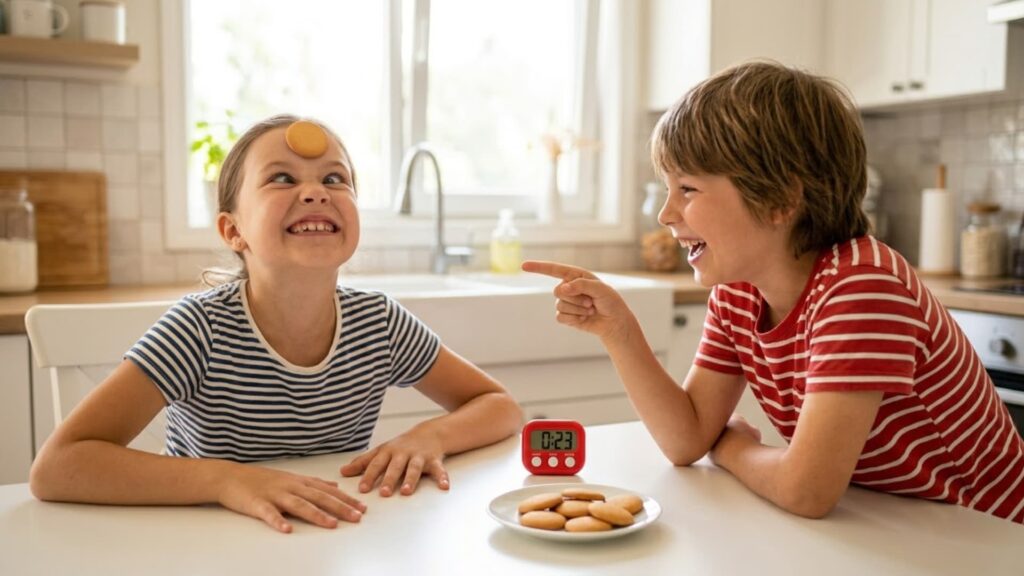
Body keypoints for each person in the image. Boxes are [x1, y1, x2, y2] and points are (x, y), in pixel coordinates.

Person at [523, 61, 1024, 523]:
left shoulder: (863, 287)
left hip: (984, 532)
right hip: (890, 523)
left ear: (781, 200)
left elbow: (805, 491)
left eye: (688, 190)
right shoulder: (739, 290)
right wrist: (620, 332)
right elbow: (686, 438)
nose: (666, 214)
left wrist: (733, 448)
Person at [30, 114, 523, 533]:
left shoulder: (379, 324)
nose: (315, 191)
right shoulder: (198, 330)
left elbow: (498, 406)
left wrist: (430, 436)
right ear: (233, 230)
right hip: (209, 541)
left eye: (334, 179)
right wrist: (226, 480)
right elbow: (58, 466)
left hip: (331, 536)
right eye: (282, 179)